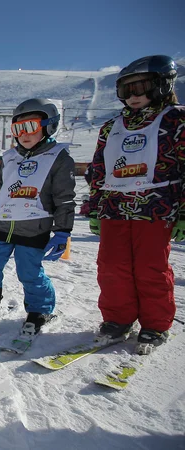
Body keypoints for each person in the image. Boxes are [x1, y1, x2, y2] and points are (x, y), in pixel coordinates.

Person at [87, 55, 183, 354]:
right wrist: (94, 208)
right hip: (114, 207)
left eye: (140, 87)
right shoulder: (111, 127)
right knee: (111, 266)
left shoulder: (176, 120)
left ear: (162, 85)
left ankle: (156, 324)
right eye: (126, 91)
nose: (133, 96)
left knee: (150, 268)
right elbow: (98, 170)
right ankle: (118, 320)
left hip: (156, 207)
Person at [0, 98, 75, 335]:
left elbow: (64, 198)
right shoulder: (9, 158)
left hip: (34, 227)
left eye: (31, 127)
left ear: (48, 126)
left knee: (29, 272)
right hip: (1, 225)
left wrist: (62, 231)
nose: (23, 135)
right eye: (18, 129)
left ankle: (40, 309)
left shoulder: (58, 157)